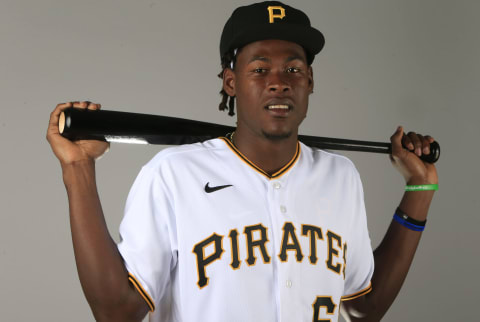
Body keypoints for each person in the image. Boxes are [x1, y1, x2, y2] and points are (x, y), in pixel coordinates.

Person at [46, 1, 438, 321]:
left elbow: (361, 307)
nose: (279, 81)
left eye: (294, 69)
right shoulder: (174, 174)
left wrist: (419, 191)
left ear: (310, 82)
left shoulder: (340, 176)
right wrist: (78, 169)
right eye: (260, 68)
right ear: (230, 82)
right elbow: (116, 312)